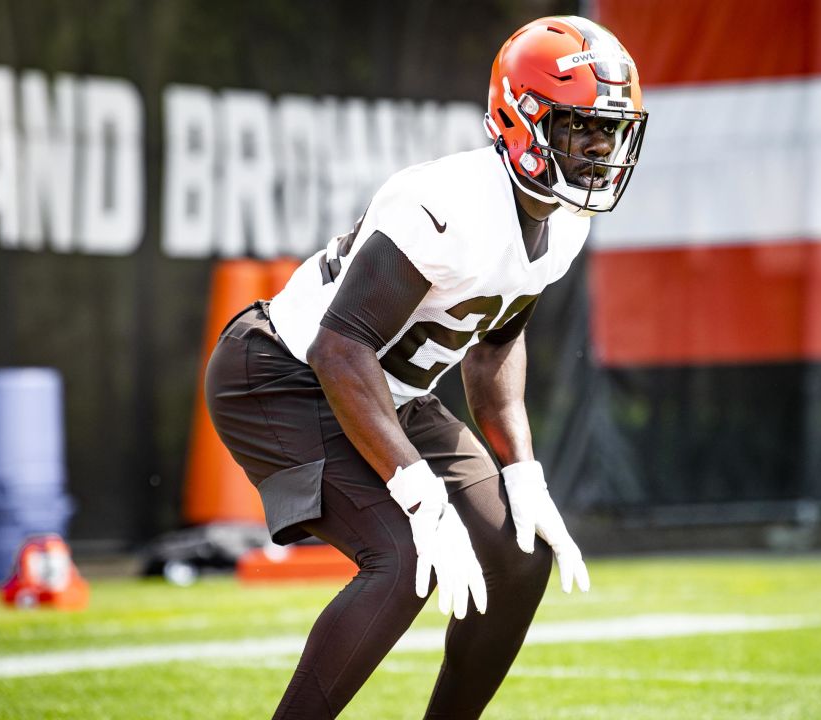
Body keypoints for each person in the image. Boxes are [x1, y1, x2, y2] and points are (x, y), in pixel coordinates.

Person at [204, 15, 647, 719]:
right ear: (521, 118)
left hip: (386, 390)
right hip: (281, 375)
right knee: (406, 557)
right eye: (576, 127)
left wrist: (523, 471)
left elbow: (494, 346)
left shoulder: (564, 223)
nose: (598, 147)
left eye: (608, 129)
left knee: (517, 554)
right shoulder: (449, 202)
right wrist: (419, 493)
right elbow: (337, 347)